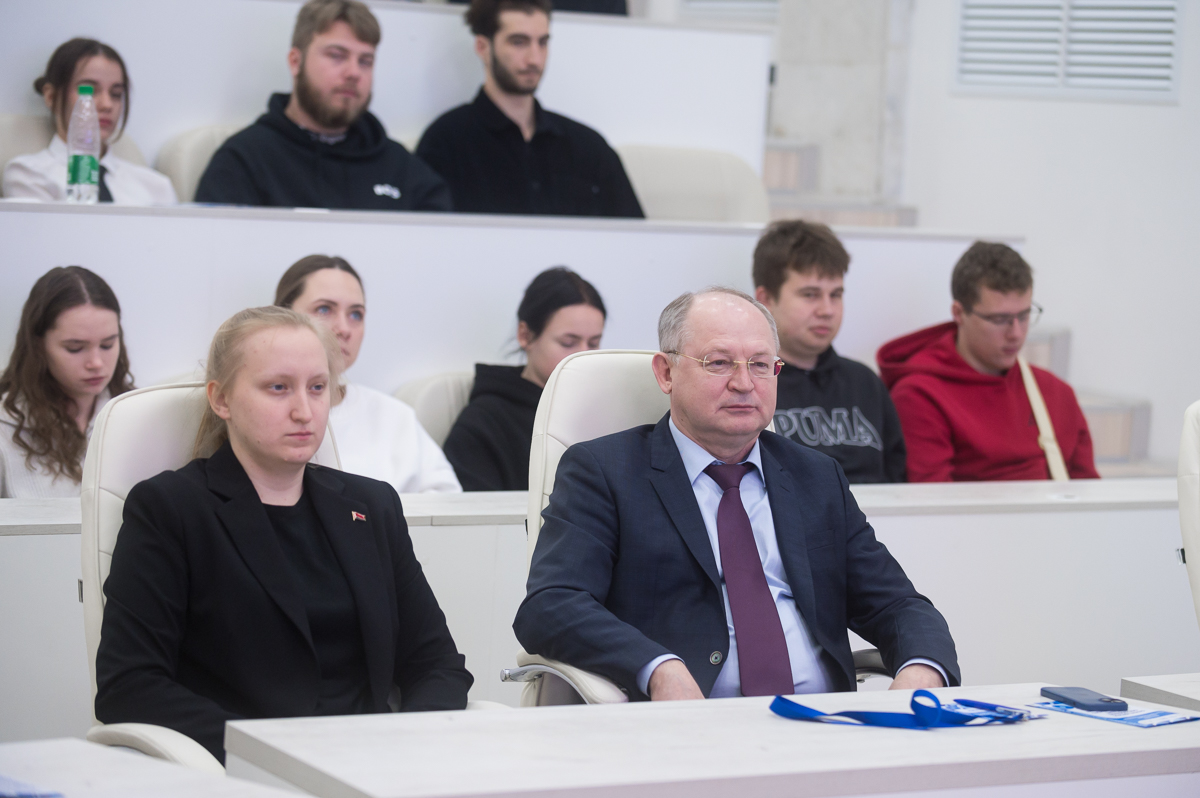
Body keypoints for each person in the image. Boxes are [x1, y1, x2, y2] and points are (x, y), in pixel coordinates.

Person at [513, 288, 957, 701]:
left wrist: (921, 670)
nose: (745, 383)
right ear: (666, 373)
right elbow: (552, 605)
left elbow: (899, 605)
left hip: (821, 725)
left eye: (761, 365)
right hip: (686, 728)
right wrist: (657, 668)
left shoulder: (816, 476)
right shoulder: (605, 471)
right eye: (719, 363)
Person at [94, 307, 472, 764]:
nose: (304, 411)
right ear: (221, 399)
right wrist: (275, 753)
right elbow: (130, 686)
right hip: (249, 773)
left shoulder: (372, 506)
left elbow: (436, 664)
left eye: (317, 387)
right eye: (278, 388)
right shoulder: (171, 509)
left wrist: (408, 744)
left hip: (378, 766)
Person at [194, 0, 451, 211]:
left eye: (365, 61)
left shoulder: (401, 168)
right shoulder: (244, 161)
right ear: (295, 62)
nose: (354, 73)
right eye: (337, 56)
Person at [878, 242, 1099, 482]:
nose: (1016, 333)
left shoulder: (1056, 393)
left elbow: (1088, 493)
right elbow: (933, 500)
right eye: (1000, 319)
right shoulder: (919, 395)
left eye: (1024, 316)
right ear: (959, 313)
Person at [415, 0, 643, 218]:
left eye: (542, 43)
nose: (534, 59)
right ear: (482, 47)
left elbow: (634, 236)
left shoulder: (589, 148)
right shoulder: (445, 143)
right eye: (519, 42)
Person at [276, 255, 461, 493]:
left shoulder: (395, 418)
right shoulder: (256, 413)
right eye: (324, 309)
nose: (344, 329)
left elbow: (449, 505)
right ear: (283, 317)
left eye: (356, 314)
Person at [753, 220, 906, 483]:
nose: (827, 310)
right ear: (766, 299)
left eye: (835, 295)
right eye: (810, 295)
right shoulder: (750, 384)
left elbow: (899, 479)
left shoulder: (865, 383)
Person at [443, 267, 604, 491]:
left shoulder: (607, 414)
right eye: (568, 343)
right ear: (525, 335)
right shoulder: (483, 423)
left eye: (594, 344)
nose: (583, 355)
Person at [0, 267, 135, 498]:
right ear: (38, 346)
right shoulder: (6, 427)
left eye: (107, 345)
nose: (96, 363)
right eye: (75, 348)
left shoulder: (137, 413)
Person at [3, 38, 177, 205]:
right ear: (51, 97)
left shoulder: (156, 186)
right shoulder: (29, 175)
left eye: (116, 94)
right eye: (89, 91)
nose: (107, 105)